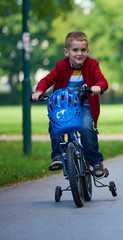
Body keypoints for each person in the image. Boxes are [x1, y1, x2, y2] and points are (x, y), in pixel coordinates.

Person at [31, 31, 109, 178]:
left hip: (84, 104)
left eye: (83, 50)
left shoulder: (92, 64)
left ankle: (96, 162)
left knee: (86, 127)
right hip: (65, 105)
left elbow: (102, 81)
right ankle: (57, 157)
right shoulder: (61, 66)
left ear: (88, 51)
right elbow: (47, 80)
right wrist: (39, 91)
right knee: (55, 126)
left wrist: (98, 87)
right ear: (67, 52)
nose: (79, 53)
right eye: (75, 50)